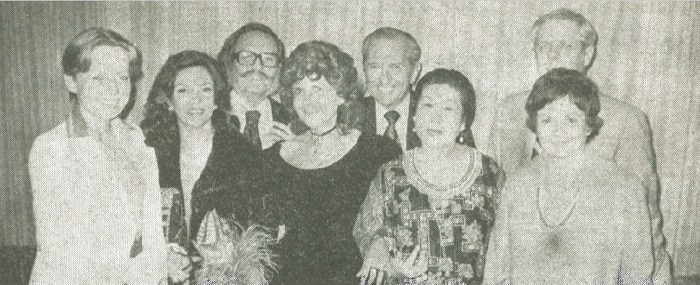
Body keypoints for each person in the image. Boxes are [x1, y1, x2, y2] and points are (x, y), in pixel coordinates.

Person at [487, 8, 671, 283]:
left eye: (565, 45)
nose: (552, 54)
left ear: (587, 55)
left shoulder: (624, 119)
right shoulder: (509, 111)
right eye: (544, 46)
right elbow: (498, 204)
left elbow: (646, 219)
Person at [484, 68, 653, 284]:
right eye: (547, 120)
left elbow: (636, 277)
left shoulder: (624, 188)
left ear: (589, 126)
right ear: (535, 125)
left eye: (571, 120)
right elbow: (497, 272)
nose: (558, 131)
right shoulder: (517, 184)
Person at [28, 27, 166, 284]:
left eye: (122, 78)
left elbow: (148, 228)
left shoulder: (136, 138)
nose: (114, 90)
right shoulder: (51, 149)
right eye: (98, 78)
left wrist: (162, 263)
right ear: (71, 81)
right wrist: (133, 273)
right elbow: (62, 254)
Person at [264, 40, 401, 284]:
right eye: (299, 91)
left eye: (318, 89)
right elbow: (261, 236)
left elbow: (399, 217)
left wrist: (381, 241)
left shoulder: (378, 151)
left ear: (340, 95)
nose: (308, 100)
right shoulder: (277, 157)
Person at [140, 50, 280, 283]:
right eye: (183, 90)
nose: (196, 100)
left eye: (205, 90)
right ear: (169, 100)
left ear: (217, 99)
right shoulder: (149, 154)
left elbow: (265, 234)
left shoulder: (244, 156)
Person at [354, 69, 503, 285]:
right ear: (414, 116)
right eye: (428, 105)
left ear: (464, 122)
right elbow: (366, 235)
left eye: (448, 108)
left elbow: (509, 245)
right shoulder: (391, 173)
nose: (436, 117)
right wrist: (390, 265)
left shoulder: (490, 173)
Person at [217, 22, 293, 150]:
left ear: (280, 69)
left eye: (269, 59)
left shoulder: (294, 120)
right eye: (246, 57)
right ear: (228, 63)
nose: (257, 67)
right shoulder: (208, 113)